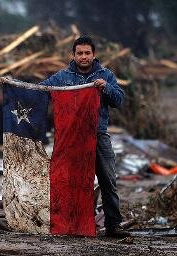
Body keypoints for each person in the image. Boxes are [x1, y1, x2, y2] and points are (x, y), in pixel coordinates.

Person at [42, 36, 130, 238]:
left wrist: (105, 87)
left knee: (108, 181)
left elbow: (119, 100)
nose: (83, 57)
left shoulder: (105, 74)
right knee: (72, 182)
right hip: (72, 139)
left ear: (94, 54)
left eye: (87, 53)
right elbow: (41, 91)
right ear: (73, 55)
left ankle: (113, 225)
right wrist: (15, 87)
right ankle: (74, 225)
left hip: (98, 135)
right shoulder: (62, 77)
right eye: (79, 53)